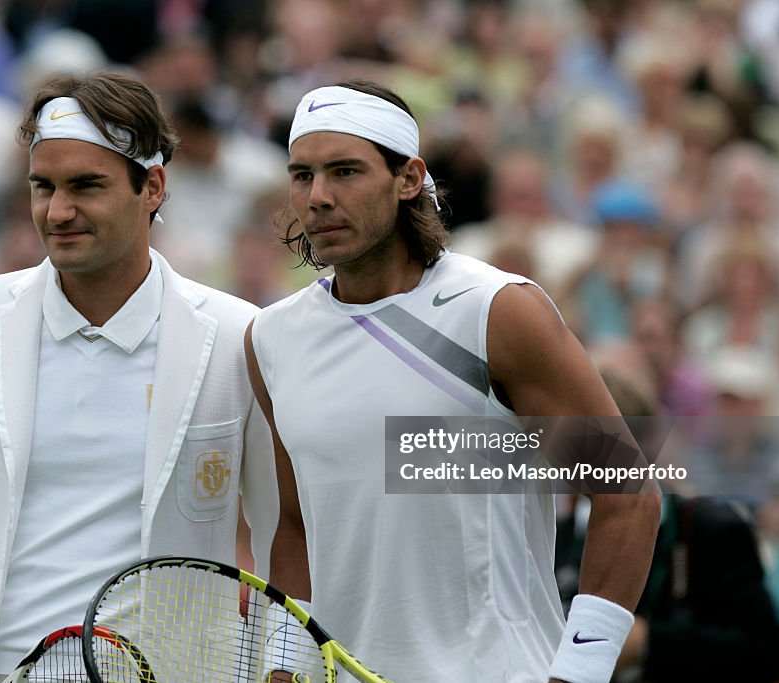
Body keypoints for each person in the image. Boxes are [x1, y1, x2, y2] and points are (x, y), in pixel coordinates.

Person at [0, 69, 277, 683]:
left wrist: (274, 669)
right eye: (42, 186)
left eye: (86, 185)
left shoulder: (241, 334)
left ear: (152, 187)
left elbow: (283, 533)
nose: (57, 211)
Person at [245, 80, 662, 682]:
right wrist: (283, 669)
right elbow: (295, 522)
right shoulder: (271, 338)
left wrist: (579, 671)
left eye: (345, 172)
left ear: (408, 179)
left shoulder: (498, 310)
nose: (318, 197)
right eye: (302, 175)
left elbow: (627, 495)